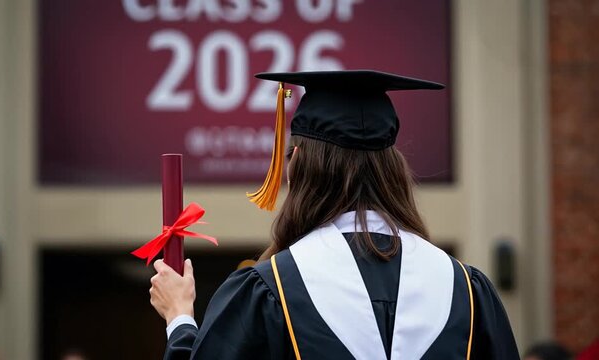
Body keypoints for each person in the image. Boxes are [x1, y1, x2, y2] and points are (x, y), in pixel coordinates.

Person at [149, 70, 520, 359]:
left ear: (297, 166)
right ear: (393, 169)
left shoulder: (270, 289)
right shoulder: (466, 291)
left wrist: (180, 317)